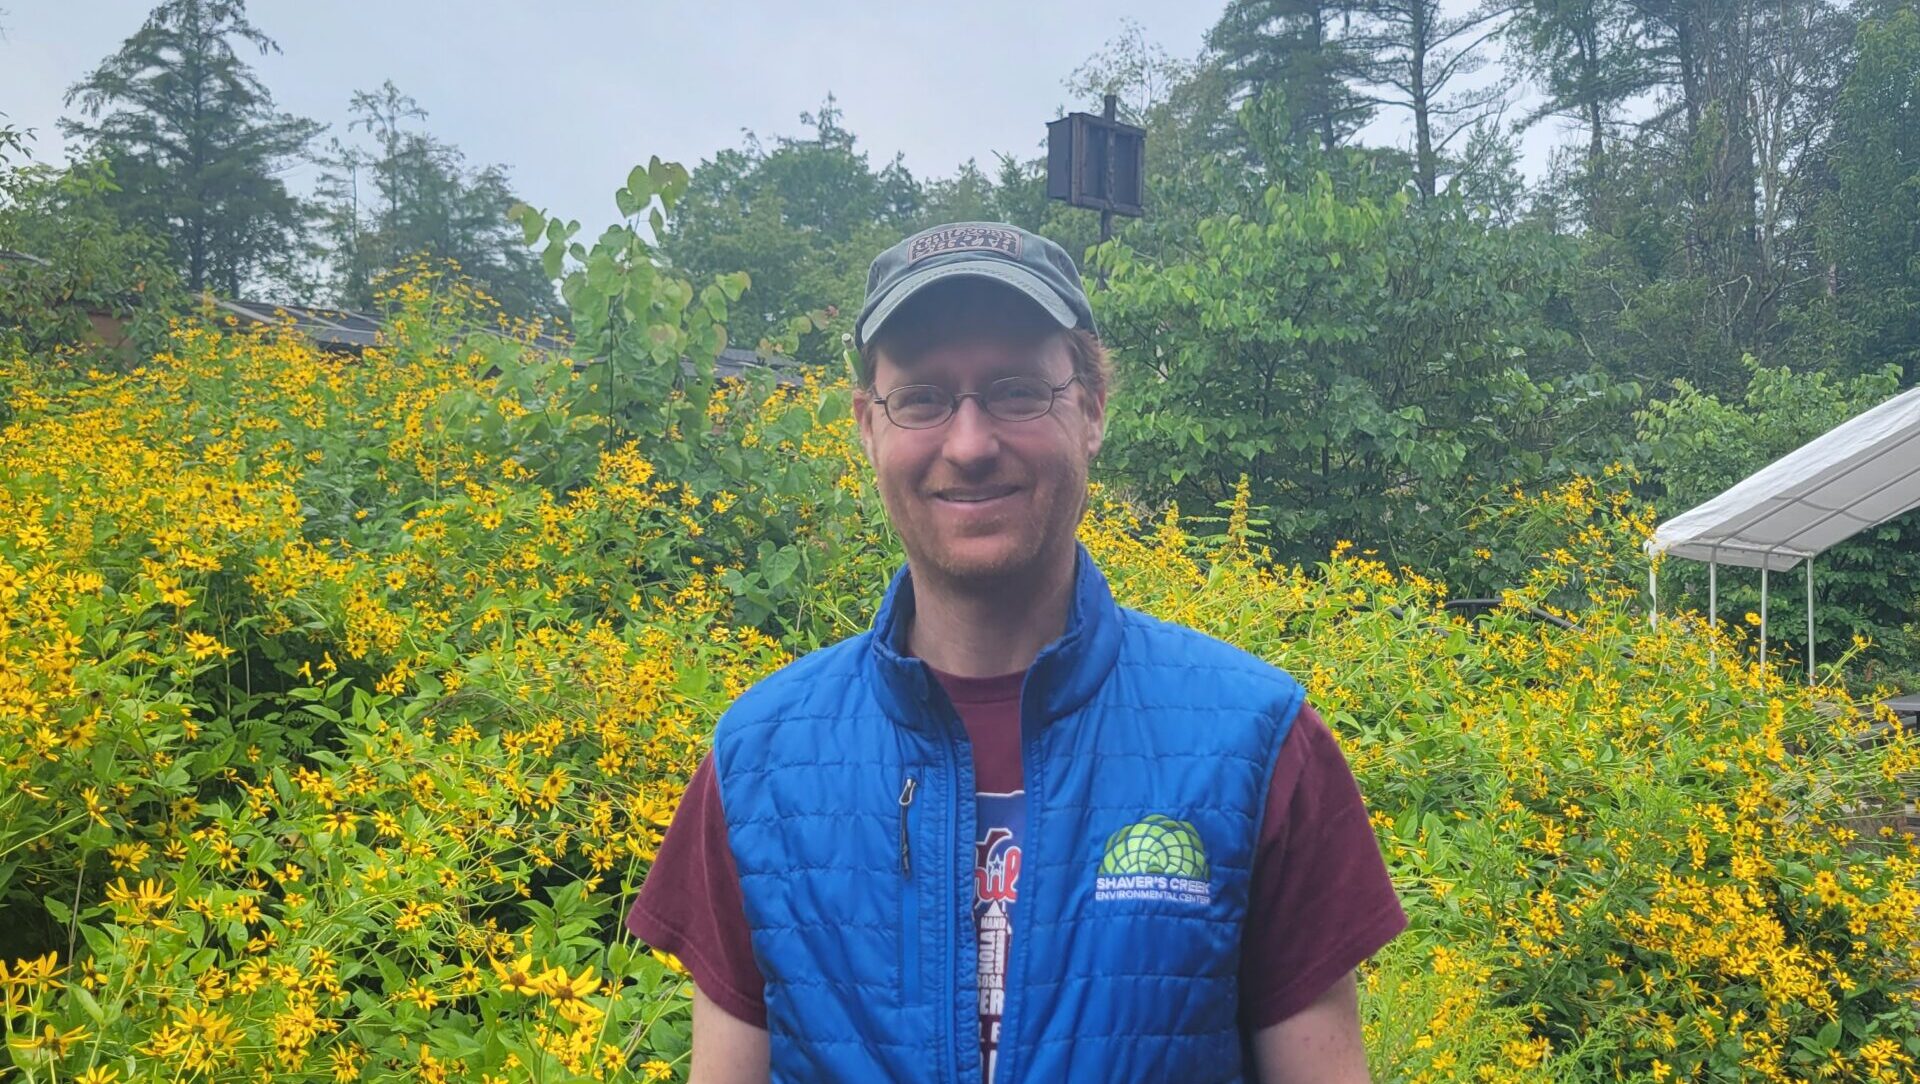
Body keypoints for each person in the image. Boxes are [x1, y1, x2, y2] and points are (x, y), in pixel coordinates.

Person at [627, 222, 1406, 1083]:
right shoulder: (757, 765)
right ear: (866, 427)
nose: (968, 444)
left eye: (1015, 391)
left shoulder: (1258, 746)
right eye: (922, 397)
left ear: (1093, 408)